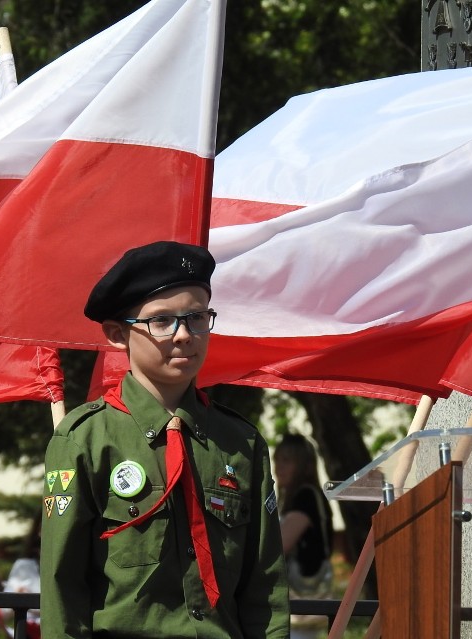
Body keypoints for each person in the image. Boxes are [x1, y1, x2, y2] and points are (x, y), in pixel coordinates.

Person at [40, 240, 290, 638]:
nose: (184, 335)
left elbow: (264, 586)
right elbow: (63, 587)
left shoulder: (240, 443)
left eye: (196, 317)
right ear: (117, 334)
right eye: (161, 321)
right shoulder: (85, 439)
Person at [274, 434, 334, 600]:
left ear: (303, 465)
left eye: (286, 461)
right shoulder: (302, 497)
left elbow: (276, 547)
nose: (278, 467)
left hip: (306, 599)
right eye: (277, 460)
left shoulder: (305, 497)